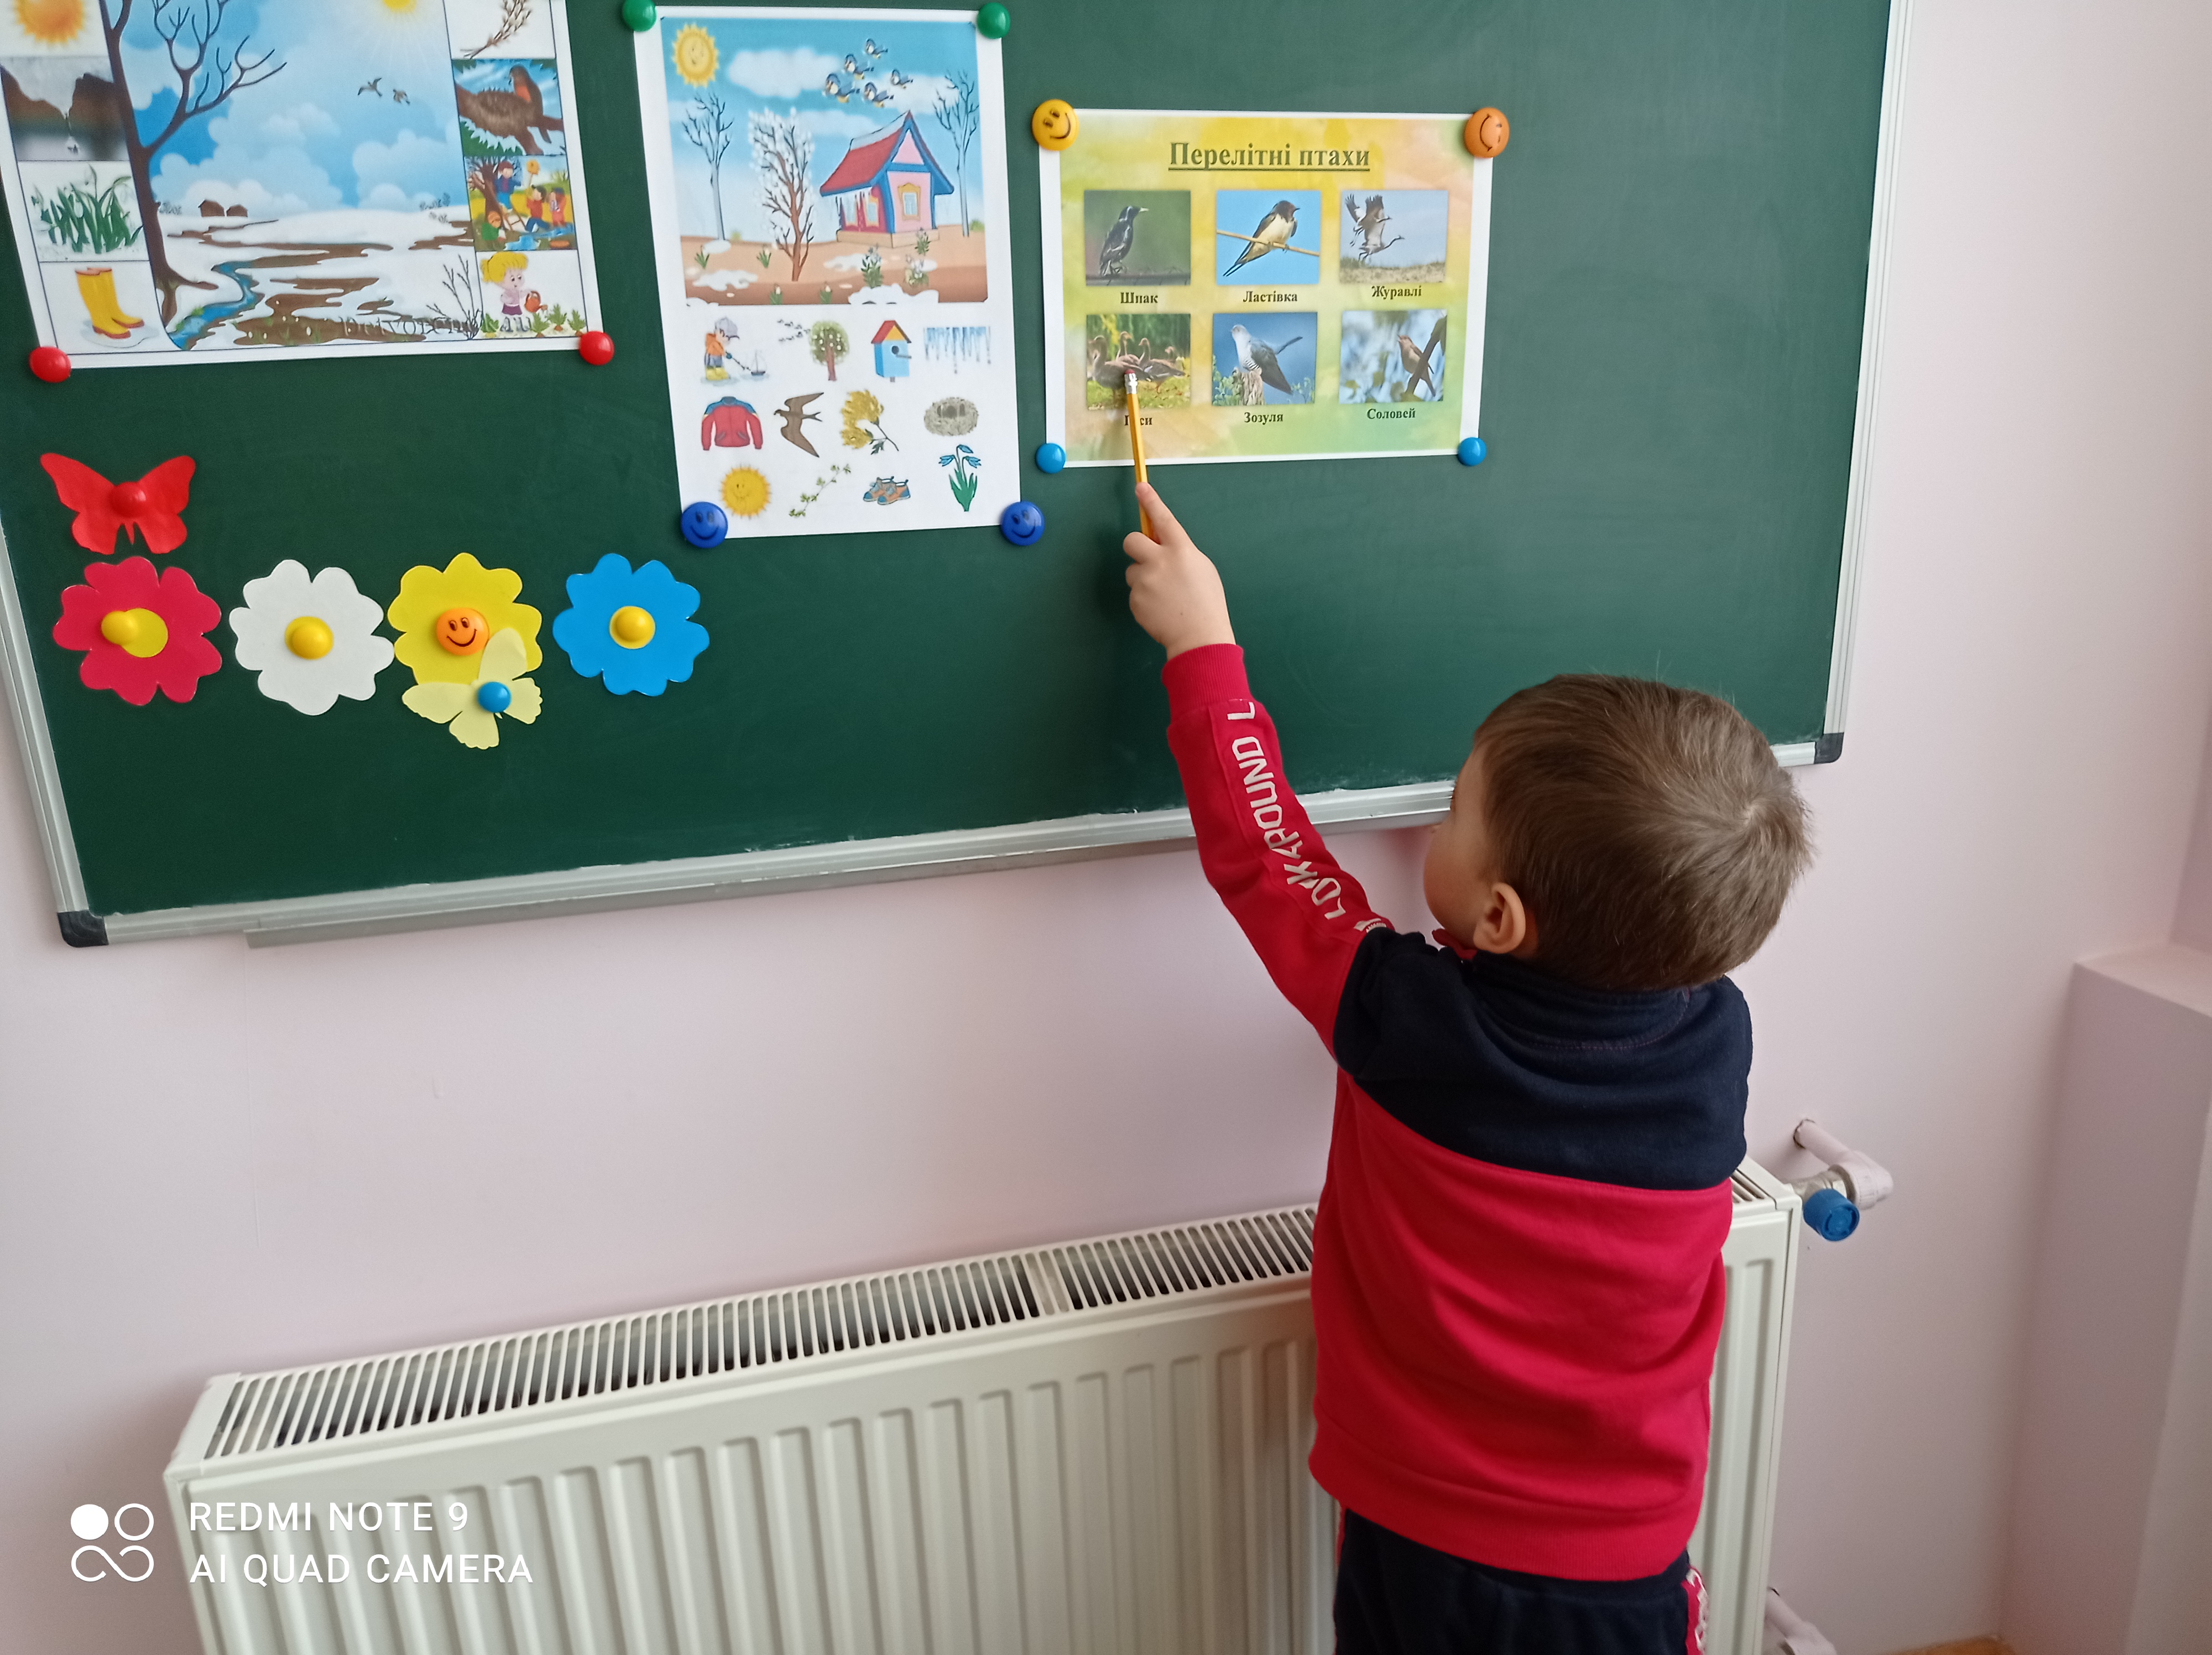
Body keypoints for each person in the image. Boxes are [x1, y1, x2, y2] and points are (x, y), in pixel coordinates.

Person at [1120, 482, 1812, 1655]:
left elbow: (1268, 862)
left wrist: (1204, 648)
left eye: (1449, 815)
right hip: (1621, 1567)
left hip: (1420, 1537)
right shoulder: (1712, 1046)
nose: (1427, 830)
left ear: (1498, 916)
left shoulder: (1406, 1024)